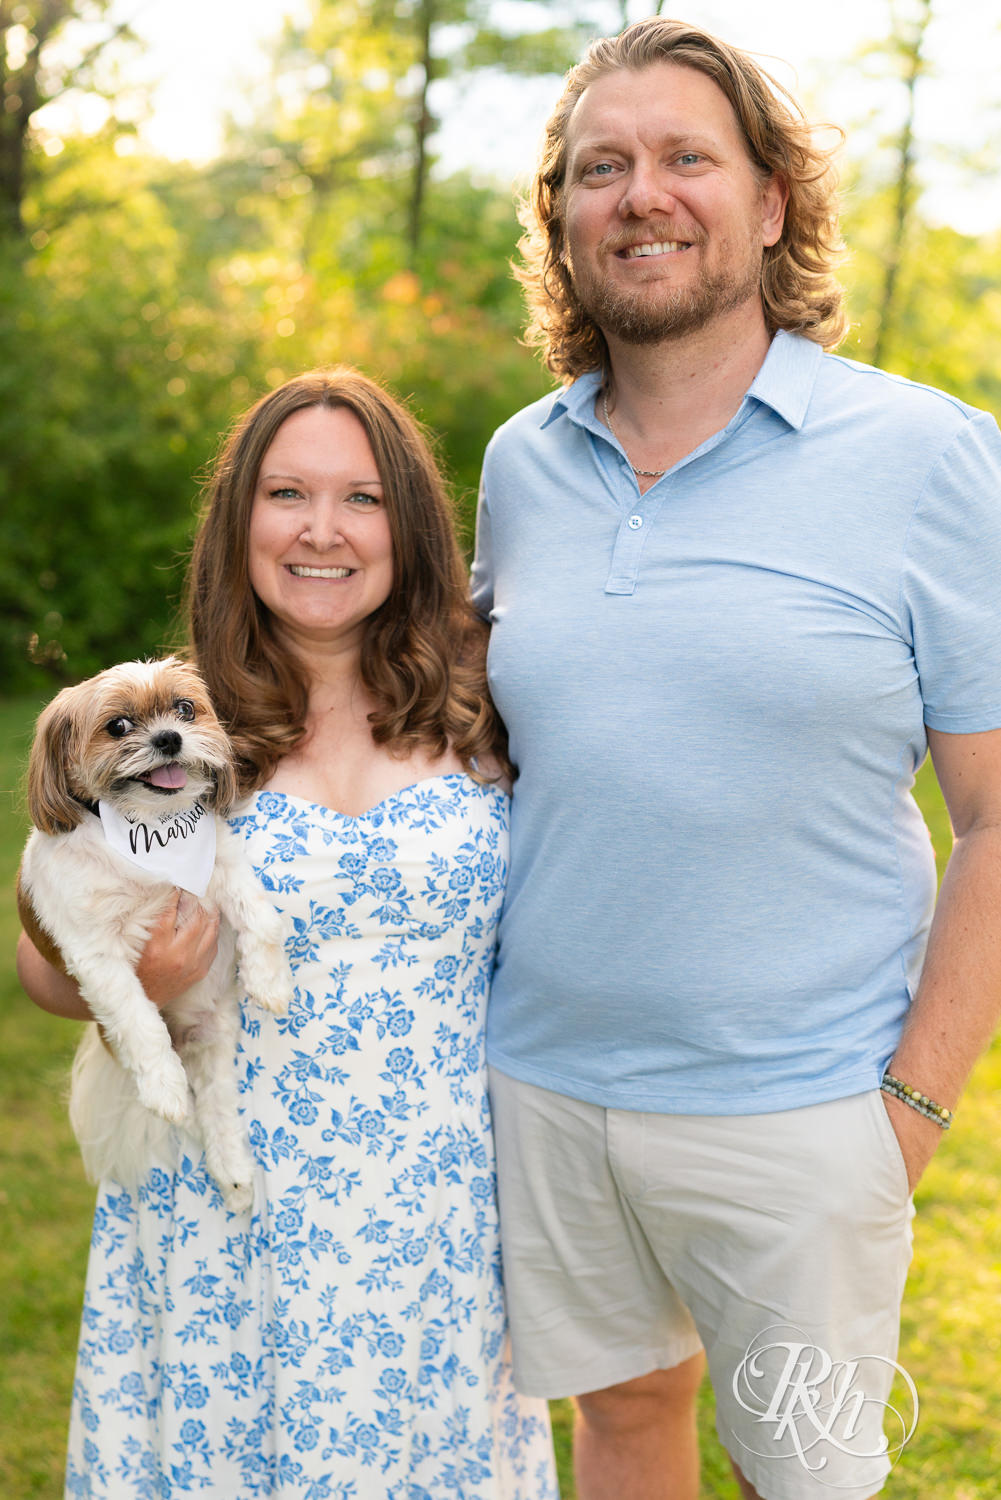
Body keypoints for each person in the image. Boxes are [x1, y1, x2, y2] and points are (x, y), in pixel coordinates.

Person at [472, 18, 1001, 1500]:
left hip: (804, 1106)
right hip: (545, 1084)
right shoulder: (521, 463)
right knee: (625, 1417)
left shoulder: (928, 457)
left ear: (770, 203)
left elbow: (994, 819)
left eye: (685, 157)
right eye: (600, 167)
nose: (642, 194)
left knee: (807, 1476)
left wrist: (907, 1112)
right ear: (562, 221)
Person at [17, 368, 558, 1499]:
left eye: (361, 499)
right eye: (286, 495)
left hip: (431, 1206)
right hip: (226, 1202)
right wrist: (143, 976)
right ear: (240, 523)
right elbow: (46, 944)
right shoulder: (173, 723)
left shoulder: (487, 709)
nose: (322, 530)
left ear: (408, 530)